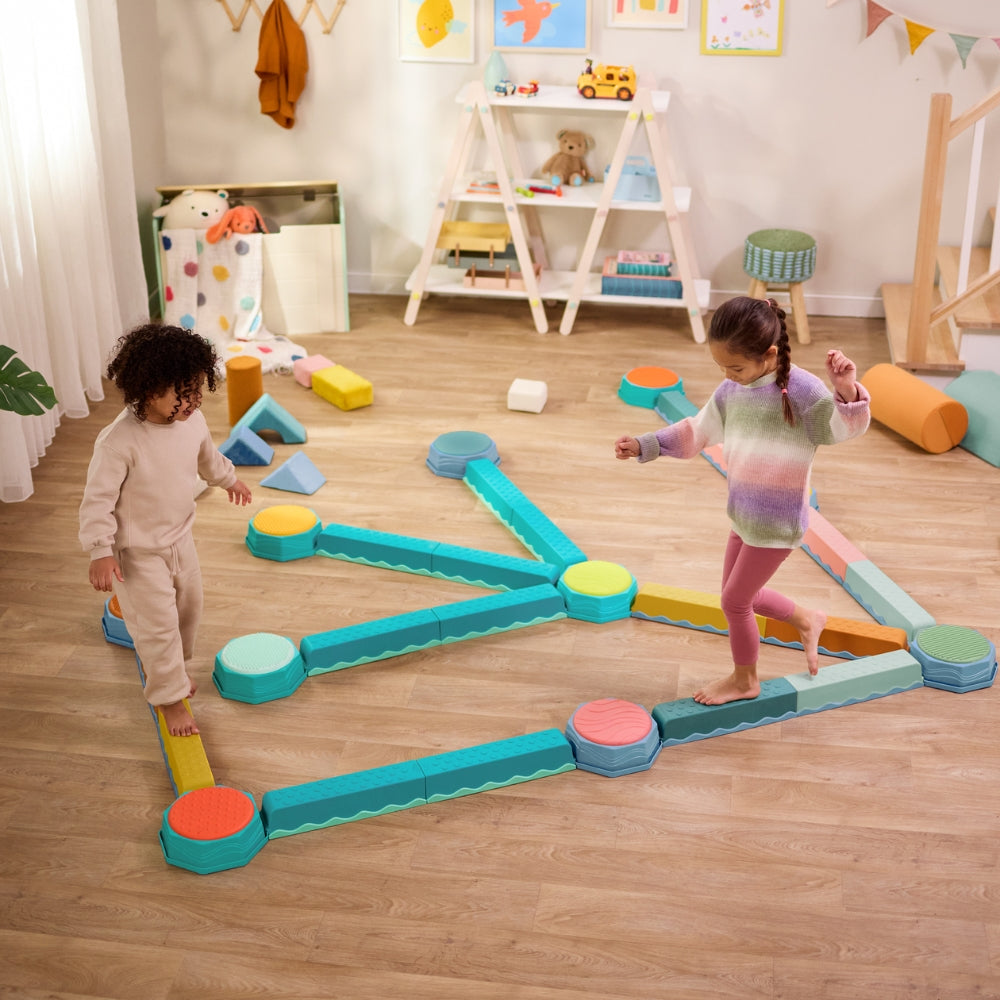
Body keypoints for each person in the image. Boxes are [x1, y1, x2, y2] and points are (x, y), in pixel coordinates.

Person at [614, 296, 870, 706]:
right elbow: (697, 431)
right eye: (722, 367)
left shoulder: (802, 390)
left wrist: (846, 390)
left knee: (735, 602)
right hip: (743, 514)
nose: (728, 376)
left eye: (735, 367)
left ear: (769, 354)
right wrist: (648, 444)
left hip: (777, 523)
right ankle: (807, 619)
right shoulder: (732, 389)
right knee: (737, 596)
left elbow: (841, 429)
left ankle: (745, 680)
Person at [79, 324, 252, 737]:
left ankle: (175, 671)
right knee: (157, 626)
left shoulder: (193, 422)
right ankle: (169, 698)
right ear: (149, 389)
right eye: (182, 393)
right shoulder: (119, 442)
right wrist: (100, 550)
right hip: (137, 555)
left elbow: (208, 459)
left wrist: (228, 479)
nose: (193, 401)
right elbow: (97, 501)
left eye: (197, 390)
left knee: (189, 611)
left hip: (180, 539)